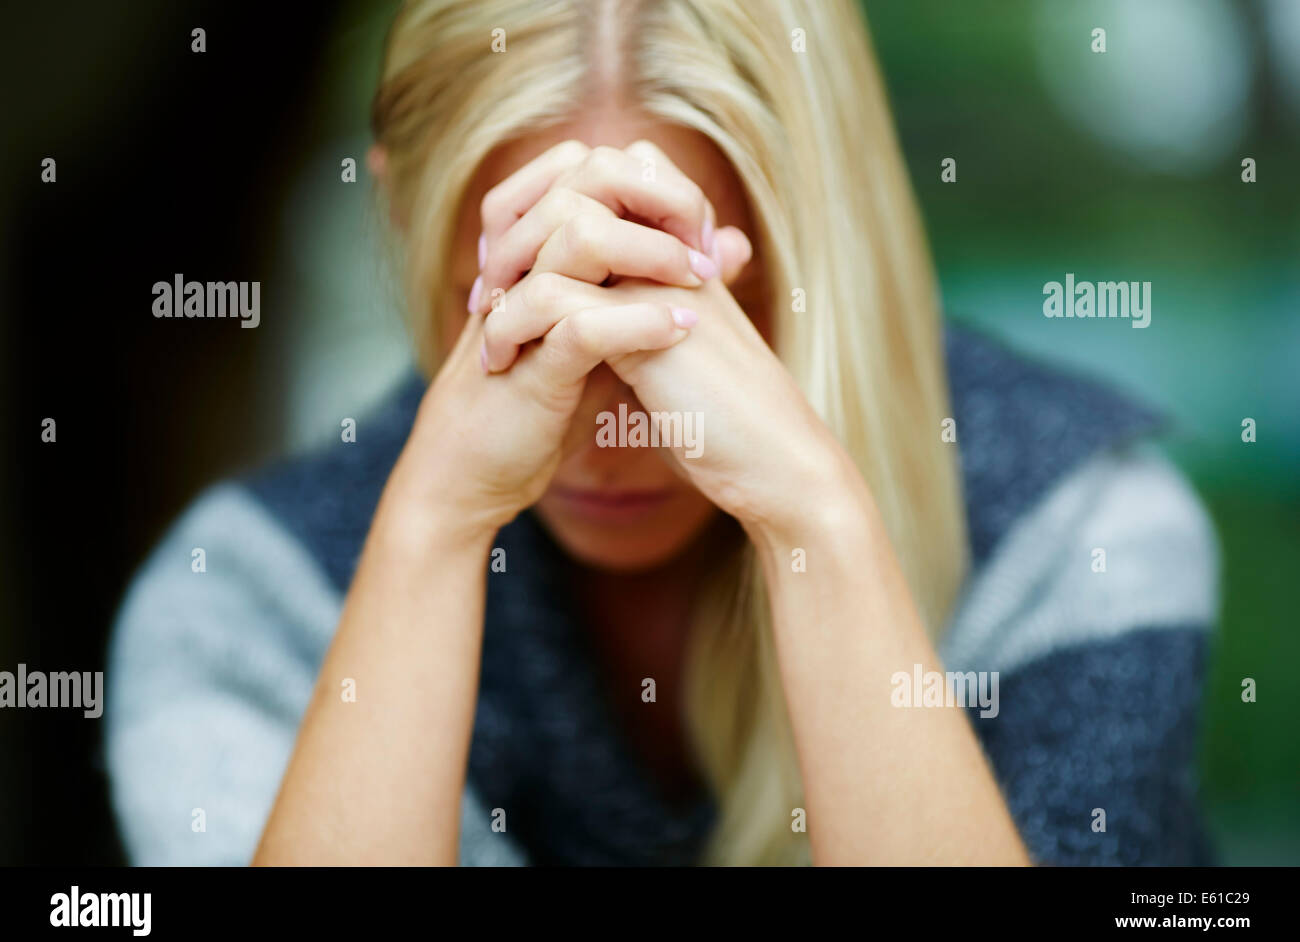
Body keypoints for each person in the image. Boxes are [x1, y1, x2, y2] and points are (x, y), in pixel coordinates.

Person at [105, 0, 1218, 866]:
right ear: (401, 217)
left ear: (820, 240)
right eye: (520, 321)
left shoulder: (1080, 536)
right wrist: (434, 527)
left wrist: (819, 525)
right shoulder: (247, 600)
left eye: (687, 326)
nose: (600, 439)